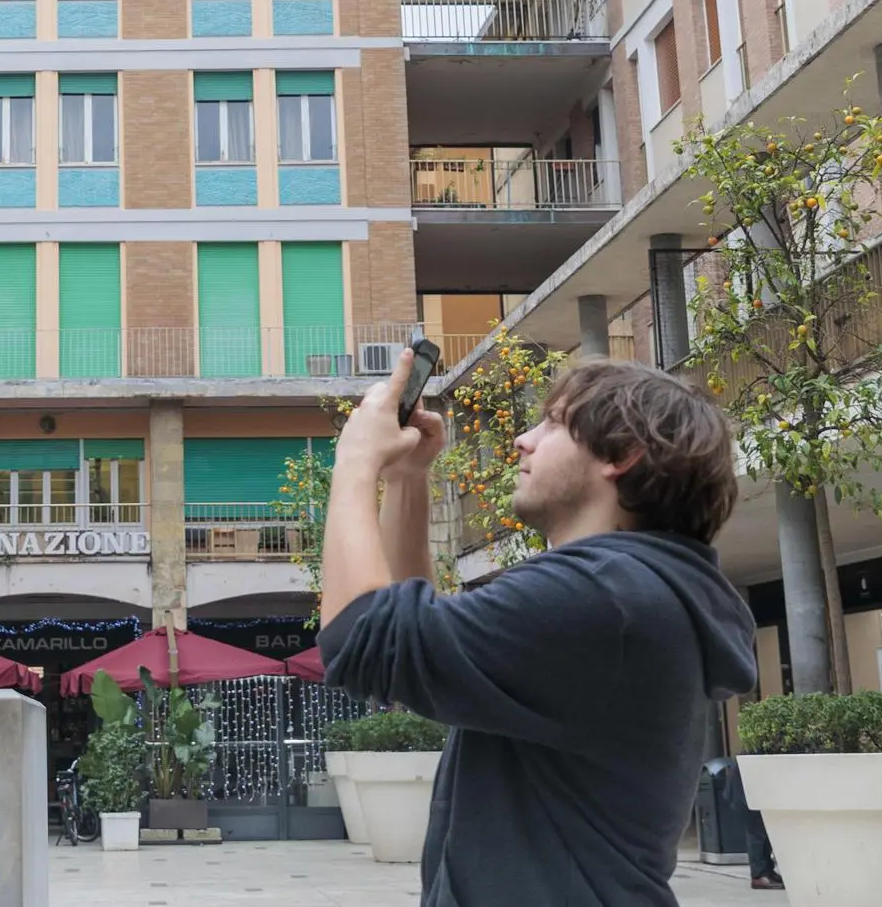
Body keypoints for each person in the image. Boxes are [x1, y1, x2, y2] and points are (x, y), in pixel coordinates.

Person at [318, 355, 758, 905]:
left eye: (553, 423)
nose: (524, 440)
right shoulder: (633, 590)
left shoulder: (603, 595)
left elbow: (360, 638)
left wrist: (354, 460)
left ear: (622, 456)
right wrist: (407, 481)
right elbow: (418, 645)